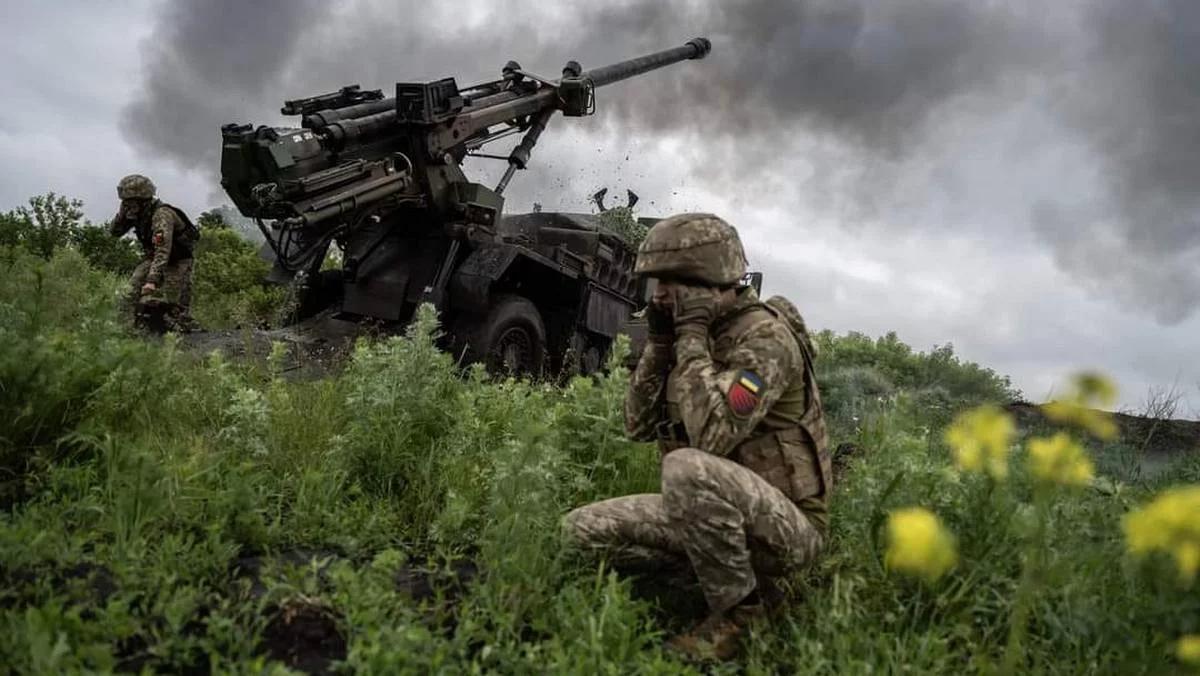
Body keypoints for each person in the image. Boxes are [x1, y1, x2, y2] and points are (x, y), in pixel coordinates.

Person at [563, 212, 831, 661]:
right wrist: (662, 346)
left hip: (786, 531)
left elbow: (711, 438)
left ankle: (741, 617)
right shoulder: (692, 334)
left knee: (685, 465)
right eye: (657, 282)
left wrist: (689, 338)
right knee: (579, 531)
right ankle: (710, 571)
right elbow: (638, 426)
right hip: (711, 514)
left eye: (673, 282)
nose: (661, 294)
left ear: (714, 280)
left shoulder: (766, 339)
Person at [109, 174, 199, 332]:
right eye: (125, 201)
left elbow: (163, 249)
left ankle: (184, 336)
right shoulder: (136, 213)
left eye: (130, 201)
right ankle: (126, 331)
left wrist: (151, 280)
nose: (126, 204)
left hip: (177, 261)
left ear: (142, 199)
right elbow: (115, 232)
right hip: (155, 258)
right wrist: (122, 215)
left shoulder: (162, 215)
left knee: (174, 306)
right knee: (129, 292)